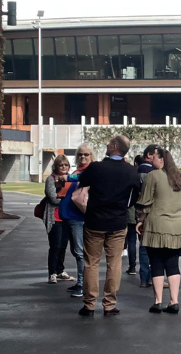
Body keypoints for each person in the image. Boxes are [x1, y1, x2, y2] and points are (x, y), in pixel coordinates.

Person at [76, 135, 141, 317]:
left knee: (91, 263)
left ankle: (89, 304)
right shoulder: (130, 171)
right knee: (114, 263)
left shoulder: (97, 167)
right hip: (118, 221)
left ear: (113, 146)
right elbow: (135, 196)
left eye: (108, 143)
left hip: (95, 220)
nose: (106, 145)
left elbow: (83, 181)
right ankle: (109, 304)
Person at [136, 148, 181, 313]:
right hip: (177, 225)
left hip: (156, 225)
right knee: (173, 264)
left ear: (161, 160)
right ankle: (174, 301)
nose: (152, 160)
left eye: (154, 158)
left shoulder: (154, 175)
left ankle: (158, 301)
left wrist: (140, 220)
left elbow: (145, 201)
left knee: (157, 263)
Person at [59, 144, 94, 298]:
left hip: (78, 217)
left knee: (80, 252)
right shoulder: (77, 171)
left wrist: (67, 178)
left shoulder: (89, 172)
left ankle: (82, 284)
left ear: (91, 156)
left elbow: (83, 180)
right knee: (76, 251)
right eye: (80, 154)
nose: (83, 157)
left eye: (86, 154)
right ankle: (80, 282)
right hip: (69, 216)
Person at [43, 155, 75, 284]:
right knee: (55, 245)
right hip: (54, 217)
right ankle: (52, 272)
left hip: (66, 217)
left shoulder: (71, 179)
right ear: (55, 166)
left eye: (66, 165)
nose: (63, 167)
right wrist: (68, 200)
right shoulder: (51, 179)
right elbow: (53, 198)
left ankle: (60, 270)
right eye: (61, 165)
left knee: (63, 246)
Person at [136, 145, 158, 288]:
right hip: (151, 212)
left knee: (143, 246)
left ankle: (145, 278)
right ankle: (151, 277)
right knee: (152, 248)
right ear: (149, 155)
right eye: (156, 155)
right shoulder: (150, 172)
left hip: (139, 211)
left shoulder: (138, 170)